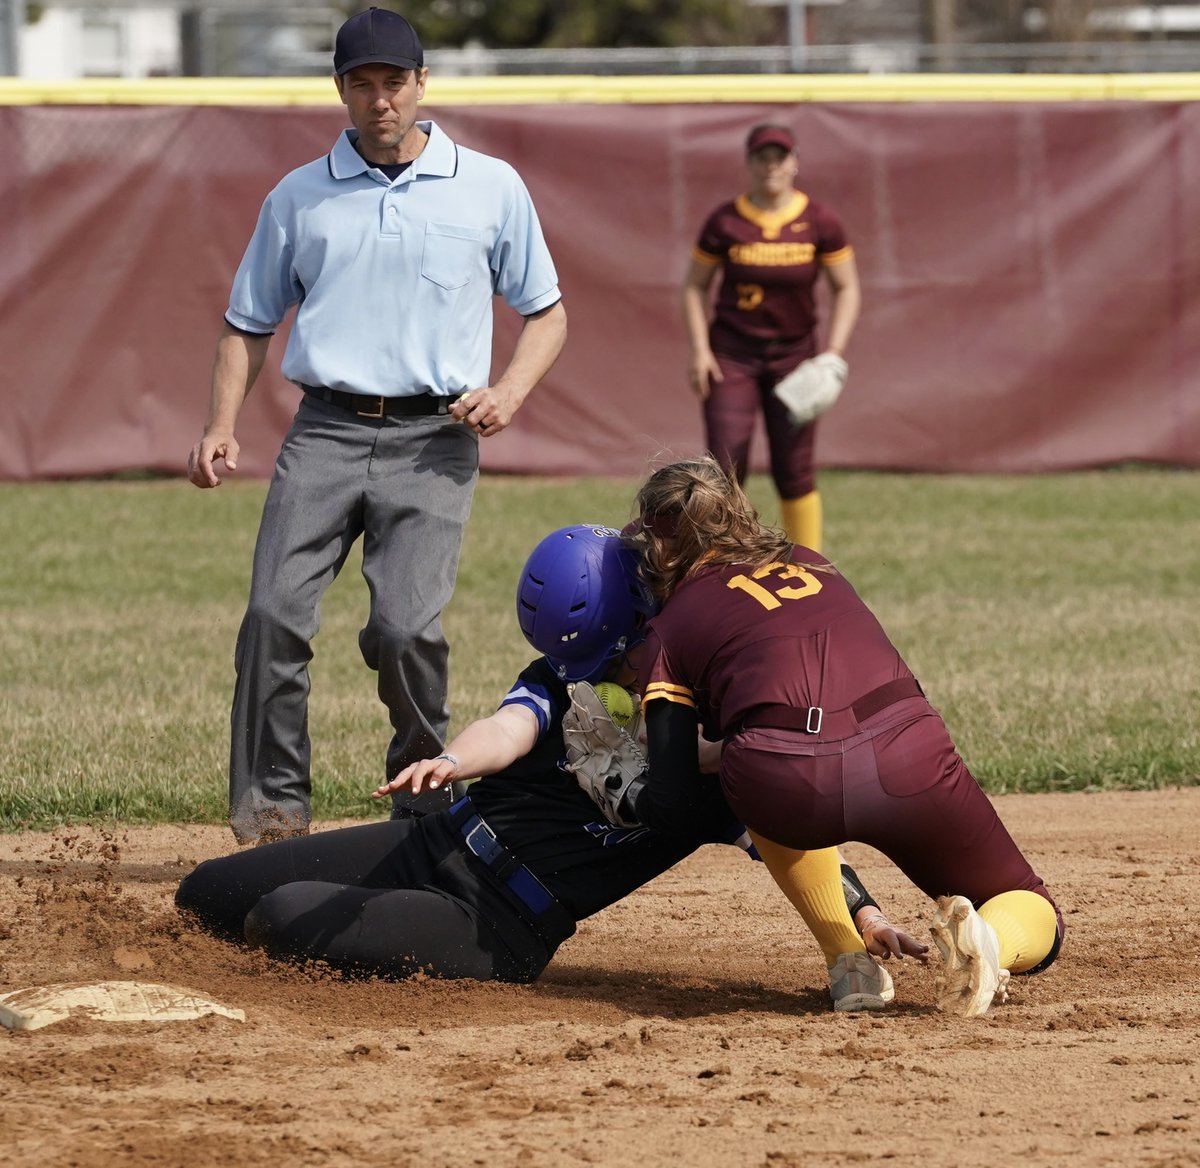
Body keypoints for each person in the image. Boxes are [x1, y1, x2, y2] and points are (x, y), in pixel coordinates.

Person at [176, 525, 925, 1006]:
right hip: (438, 842)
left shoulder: (702, 742)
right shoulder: (566, 677)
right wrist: (449, 760)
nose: (607, 673)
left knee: (277, 917)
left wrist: (864, 915)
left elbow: (782, 837)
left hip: (495, 922)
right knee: (206, 892)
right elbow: (506, 728)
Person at [185, 7, 567, 844]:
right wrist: (220, 423)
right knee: (271, 619)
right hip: (322, 431)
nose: (379, 98)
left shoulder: (491, 185)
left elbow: (547, 314)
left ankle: (422, 809)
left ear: (422, 84)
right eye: (362, 83)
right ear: (340, 91)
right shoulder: (299, 195)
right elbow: (247, 322)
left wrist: (506, 392)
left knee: (403, 630)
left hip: (435, 442)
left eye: (394, 81)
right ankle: (272, 819)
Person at [618, 458, 1064, 1018]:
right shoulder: (814, 561)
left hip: (790, 783)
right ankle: (994, 942)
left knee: (748, 760)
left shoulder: (670, 624)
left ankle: (848, 962)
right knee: (1029, 903)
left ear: (659, 548)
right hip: (908, 751)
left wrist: (623, 791)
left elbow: (676, 802)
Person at [681, 123, 861, 554]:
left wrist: (833, 355)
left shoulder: (820, 220)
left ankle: (808, 564)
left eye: (780, 157)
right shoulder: (725, 220)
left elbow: (848, 287)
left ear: (795, 163)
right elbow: (694, 286)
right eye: (762, 157)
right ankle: (721, 560)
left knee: (794, 468)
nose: (771, 166)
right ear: (749, 163)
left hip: (795, 357)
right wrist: (700, 349)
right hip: (733, 354)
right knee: (725, 464)